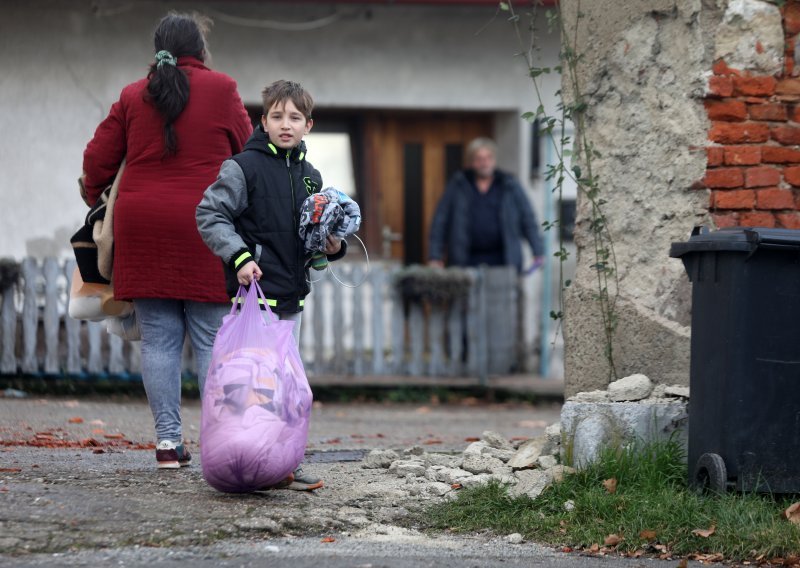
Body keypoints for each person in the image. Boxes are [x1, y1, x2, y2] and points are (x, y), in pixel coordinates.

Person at [82, 12, 252, 469]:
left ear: (157, 48)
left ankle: (167, 445)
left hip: (143, 227)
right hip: (205, 225)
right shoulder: (223, 89)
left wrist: (93, 194)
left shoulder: (134, 95)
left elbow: (97, 160)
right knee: (212, 338)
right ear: (201, 49)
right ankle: (224, 441)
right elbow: (249, 152)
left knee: (157, 340)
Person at [196, 79, 347, 491]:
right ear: (263, 121)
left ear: (308, 125)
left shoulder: (312, 178)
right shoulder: (243, 167)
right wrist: (239, 257)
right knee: (252, 387)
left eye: (294, 118)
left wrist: (331, 245)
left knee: (288, 386)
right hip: (255, 297)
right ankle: (244, 460)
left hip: (292, 298)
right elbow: (210, 215)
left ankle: (281, 464)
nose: (286, 124)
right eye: (277, 116)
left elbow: (313, 236)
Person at [428, 137, 544, 271]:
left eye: (488, 158)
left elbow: (528, 219)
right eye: (479, 159)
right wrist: (435, 256)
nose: (484, 163)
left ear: (494, 160)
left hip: (504, 261)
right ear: (471, 162)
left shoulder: (509, 185)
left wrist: (538, 251)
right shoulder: (458, 185)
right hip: (465, 261)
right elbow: (440, 221)